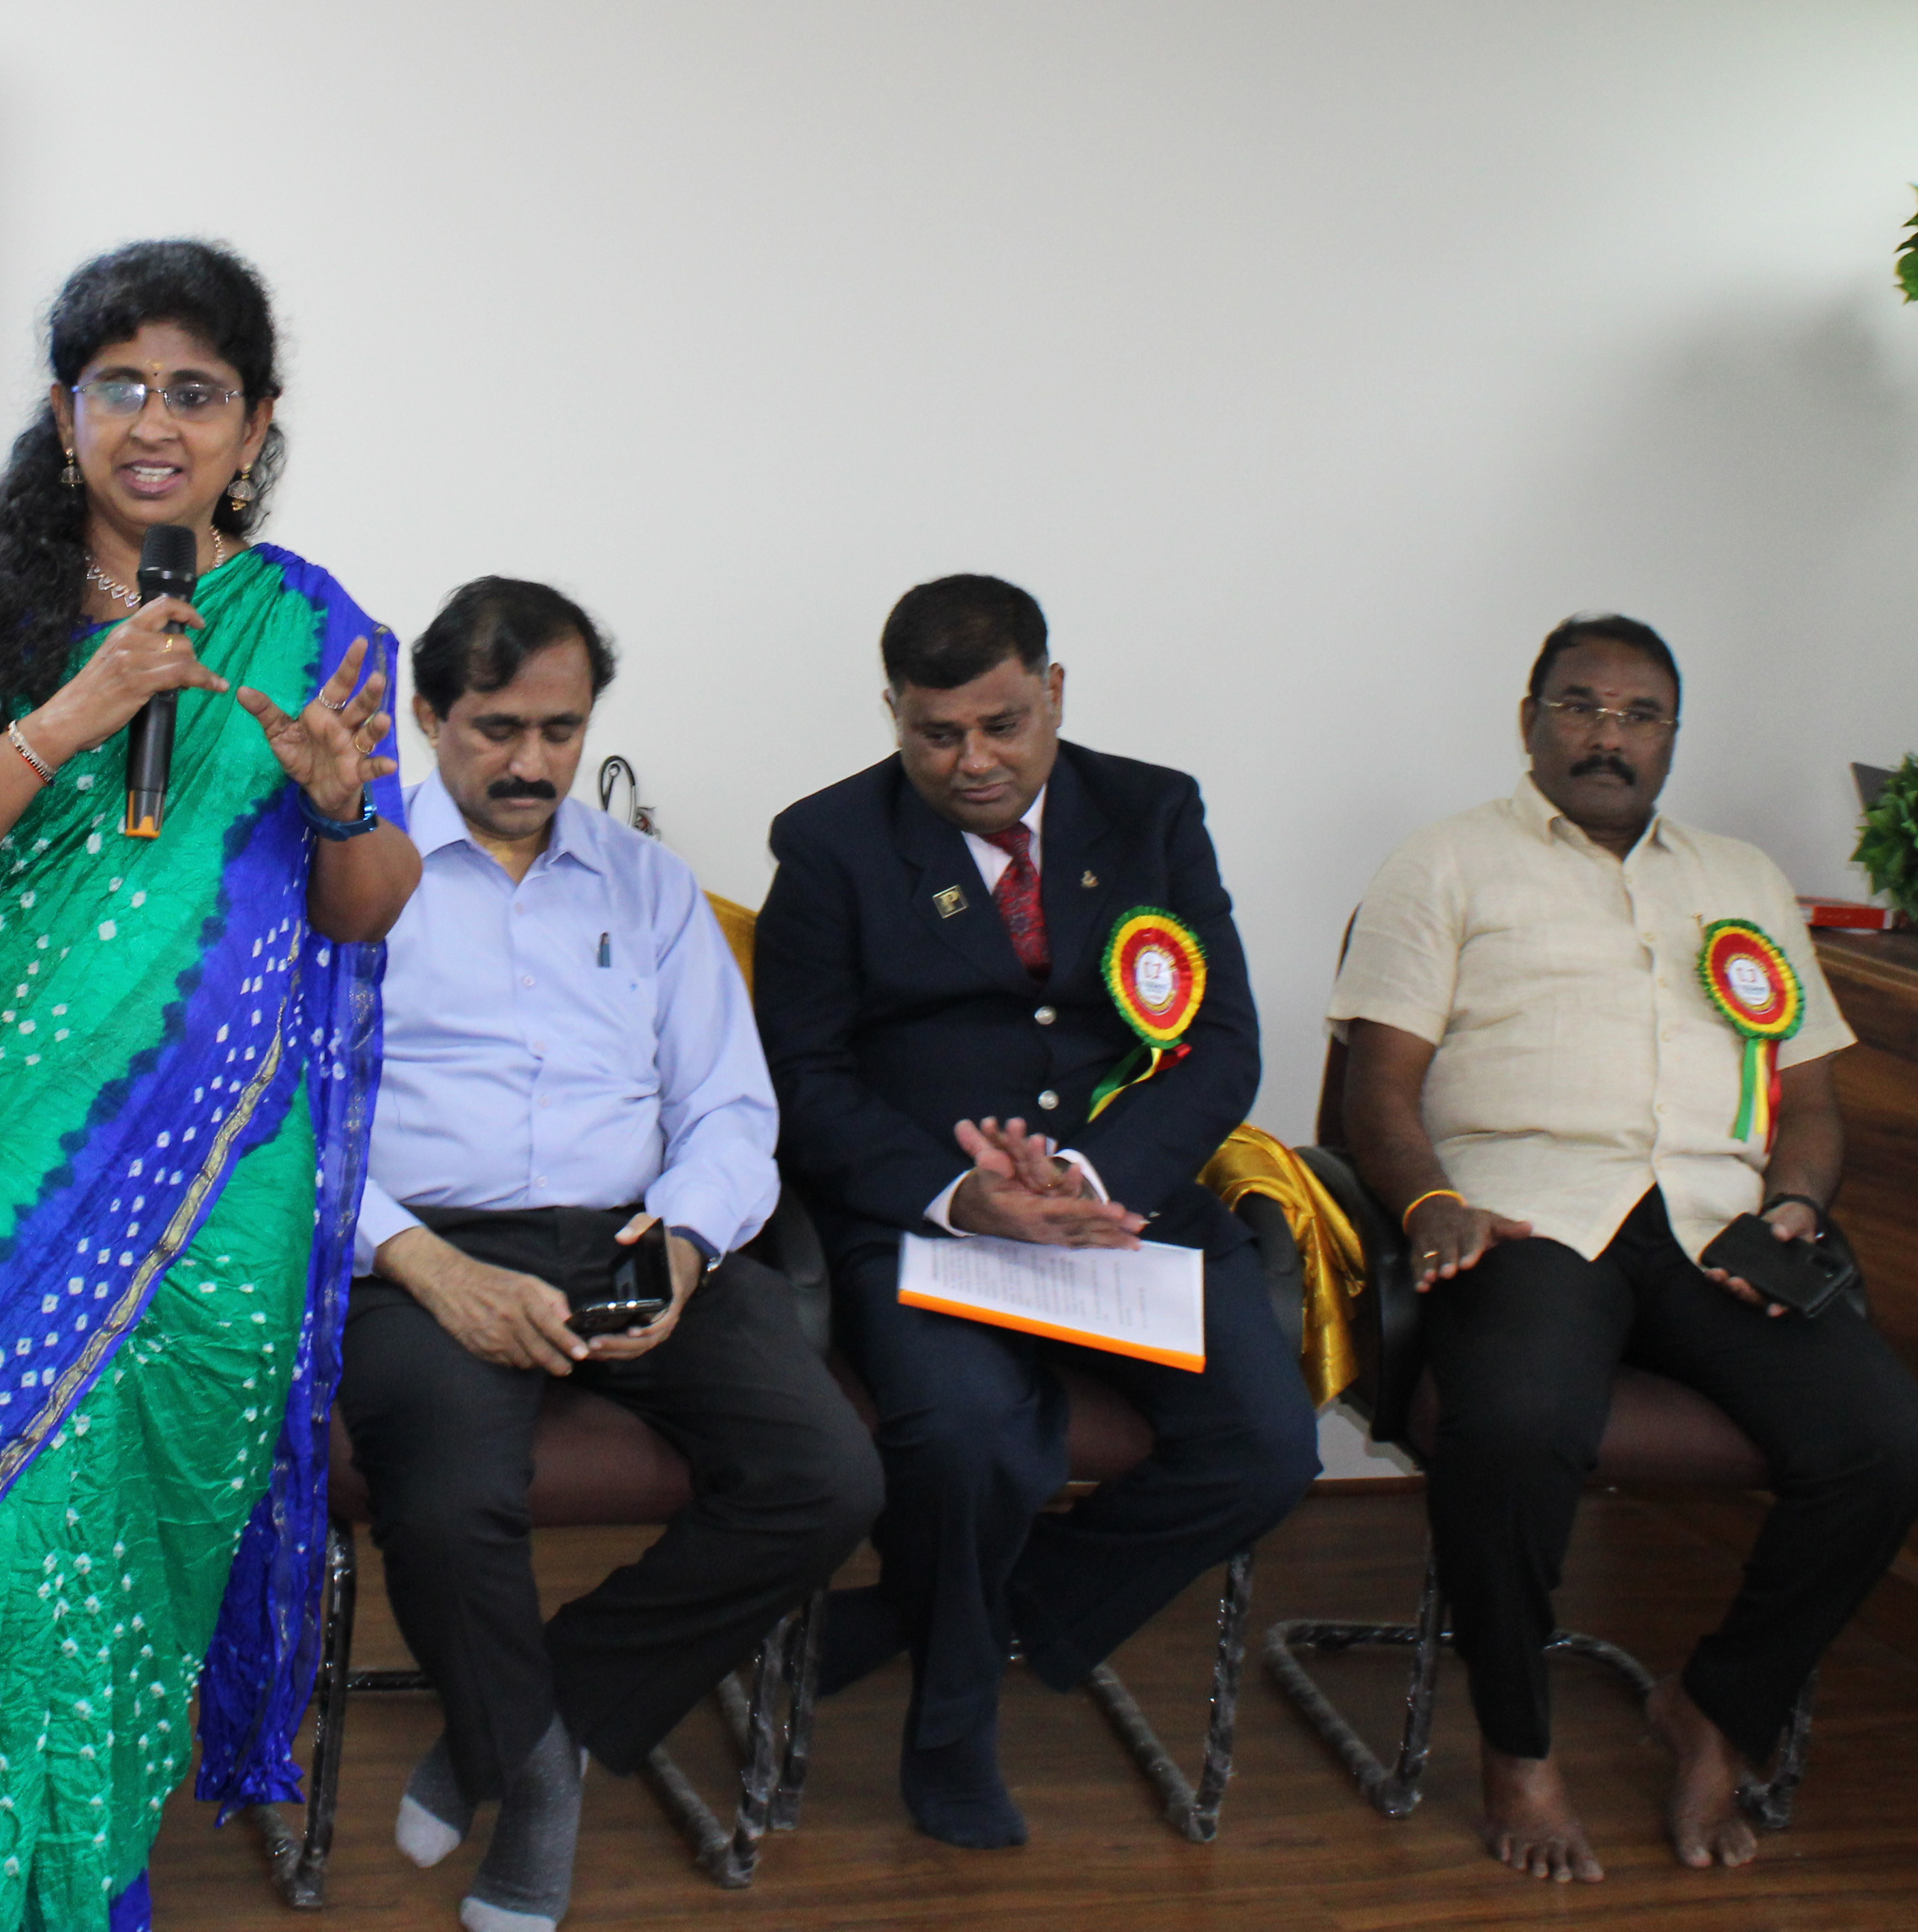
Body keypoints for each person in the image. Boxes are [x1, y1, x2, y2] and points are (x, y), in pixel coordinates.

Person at [0, 240, 422, 1932]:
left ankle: (76, 1888)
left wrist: (345, 805)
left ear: (253, 425)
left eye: (195, 390)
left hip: (206, 1203)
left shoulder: (316, 632)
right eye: (118, 383)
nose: (155, 421)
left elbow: (361, 913)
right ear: (64, 415)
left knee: (128, 1568)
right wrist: (68, 716)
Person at [1335, 612, 1918, 1884]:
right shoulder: (1443, 865)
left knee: (1884, 1441)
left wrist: (1798, 1210)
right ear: (1530, 718)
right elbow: (1378, 1084)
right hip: (1529, 1211)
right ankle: (1516, 1743)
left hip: (1719, 1224)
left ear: (1670, 737)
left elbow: (1810, 1099)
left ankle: (1720, 1707)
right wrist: (1432, 1202)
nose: (1608, 735)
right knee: (1514, 1422)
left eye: (1638, 714)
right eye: (1581, 706)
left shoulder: (1744, 880)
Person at [339, 577, 881, 1932]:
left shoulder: (644, 885)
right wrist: (425, 1261)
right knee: (450, 1500)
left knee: (827, 1477)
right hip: (429, 1243)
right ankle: (536, 1784)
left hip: (631, 1227)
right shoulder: (353, 876)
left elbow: (728, 1104)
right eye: (496, 726)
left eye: (561, 729)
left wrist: (691, 1239)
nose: (530, 761)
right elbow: (288, 1115)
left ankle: (533, 1722)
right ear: (427, 716)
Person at [755, 574, 1316, 1849]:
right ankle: (951, 1726)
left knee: (1268, 1449)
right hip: (933, 1217)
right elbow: (802, 1079)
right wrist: (965, 1198)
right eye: (934, 733)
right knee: (969, 1442)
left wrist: (1100, 1178)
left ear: (1054, 692)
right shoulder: (831, 843)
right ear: (893, 713)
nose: (972, 763)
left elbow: (1222, 1043)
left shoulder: (1154, 812)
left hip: (1128, 1203)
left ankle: (936, 1618)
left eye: (1003, 726)